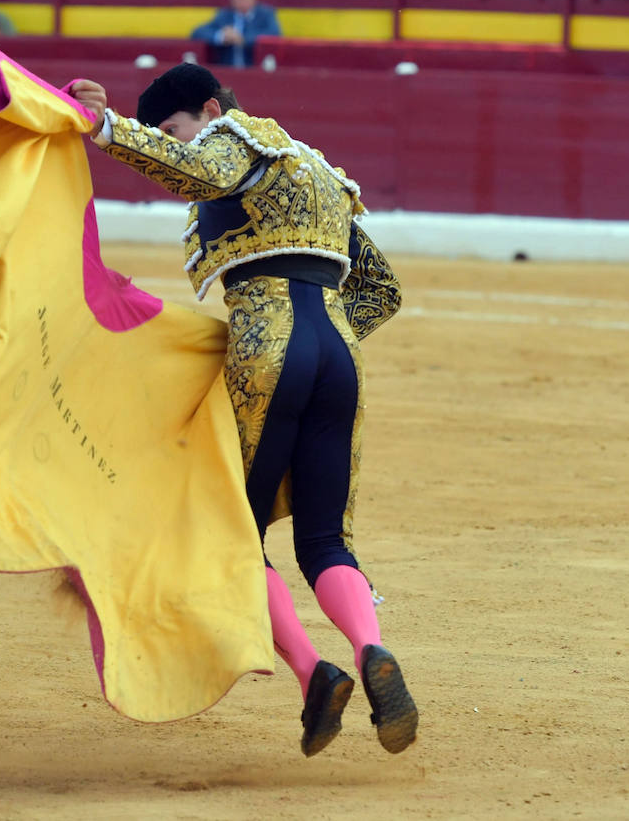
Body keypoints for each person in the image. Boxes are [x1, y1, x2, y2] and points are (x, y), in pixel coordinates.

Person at [65, 62, 415, 758]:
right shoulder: (315, 172)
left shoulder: (234, 138)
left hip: (268, 344)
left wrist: (109, 130)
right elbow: (381, 290)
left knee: (235, 533)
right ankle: (373, 647)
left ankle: (315, 672)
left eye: (176, 129)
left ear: (208, 107)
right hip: (340, 356)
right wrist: (322, 338)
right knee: (325, 538)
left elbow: (204, 174)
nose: (179, 144)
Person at [190, 0, 279, 66]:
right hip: (226, 70)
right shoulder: (224, 15)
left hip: (255, 70)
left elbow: (274, 33)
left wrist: (243, 38)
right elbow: (198, 32)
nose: (241, 1)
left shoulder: (265, 14)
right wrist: (221, 36)